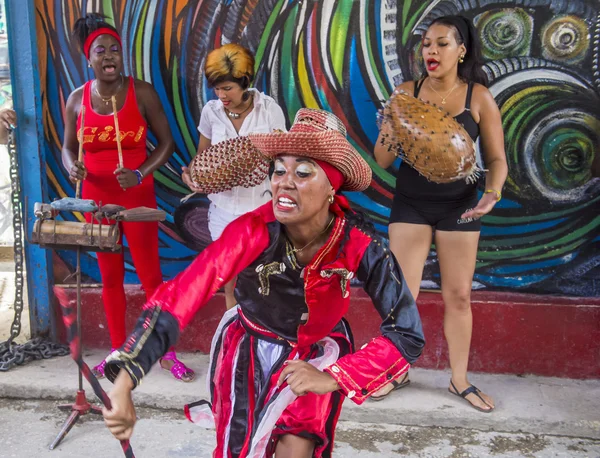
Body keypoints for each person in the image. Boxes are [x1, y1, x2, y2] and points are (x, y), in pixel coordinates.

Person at [102, 109, 425, 457]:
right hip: (248, 357)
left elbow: (406, 332)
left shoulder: (359, 244)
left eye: (302, 172)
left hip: (315, 357)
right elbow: (184, 294)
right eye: (279, 169)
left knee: (299, 446)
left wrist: (334, 376)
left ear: (332, 186)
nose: (284, 181)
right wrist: (124, 383)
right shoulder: (252, 231)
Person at [373, 15, 508, 412]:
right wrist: (395, 121)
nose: (431, 51)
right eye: (427, 43)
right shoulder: (406, 91)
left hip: (461, 206)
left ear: (461, 50)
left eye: (441, 44)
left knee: (459, 296)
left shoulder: (478, 97)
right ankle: (397, 370)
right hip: (411, 203)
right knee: (404, 294)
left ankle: (459, 380)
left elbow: (497, 159)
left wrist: (493, 193)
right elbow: (381, 159)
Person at [61, 14, 194, 382]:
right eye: (100, 50)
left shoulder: (142, 92)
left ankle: (166, 353)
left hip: (136, 193)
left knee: (152, 277)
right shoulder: (77, 100)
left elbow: (166, 144)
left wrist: (139, 172)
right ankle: (119, 351)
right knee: (110, 278)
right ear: (89, 59)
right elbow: (67, 149)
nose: (109, 56)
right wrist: (73, 167)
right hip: (96, 200)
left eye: (115, 50)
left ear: (122, 57)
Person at [181, 43, 287, 310]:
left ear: (245, 81)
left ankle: (264, 345)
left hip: (261, 211)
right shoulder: (211, 112)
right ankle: (233, 343)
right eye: (216, 88)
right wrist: (191, 176)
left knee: (262, 282)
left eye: (227, 88)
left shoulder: (268, 110)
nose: (221, 95)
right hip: (223, 212)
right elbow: (202, 156)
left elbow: (284, 160)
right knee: (232, 283)